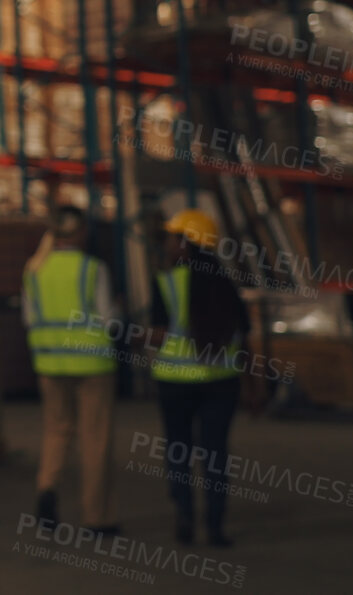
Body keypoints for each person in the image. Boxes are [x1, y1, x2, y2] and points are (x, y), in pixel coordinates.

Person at [148, 208, 248, 547]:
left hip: (174, 382)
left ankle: (185, 517)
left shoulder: (165, 281)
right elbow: (243, 330)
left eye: (173, 238)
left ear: (186, 243)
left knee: (179, 450)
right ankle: (216, 525)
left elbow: (159, 334)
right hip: (221, 382)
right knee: (215, 453)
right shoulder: (226, 282)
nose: (167, 245)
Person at [20, 205, 120, 535]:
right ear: (80, 233)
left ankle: (47, 488)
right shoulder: (93, 269)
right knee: (95, 437)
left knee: (56, 431)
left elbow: (29, 319)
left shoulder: (34, 269)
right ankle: (96, 517)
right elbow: (109, 320)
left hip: (50, 363)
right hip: (92, 364)